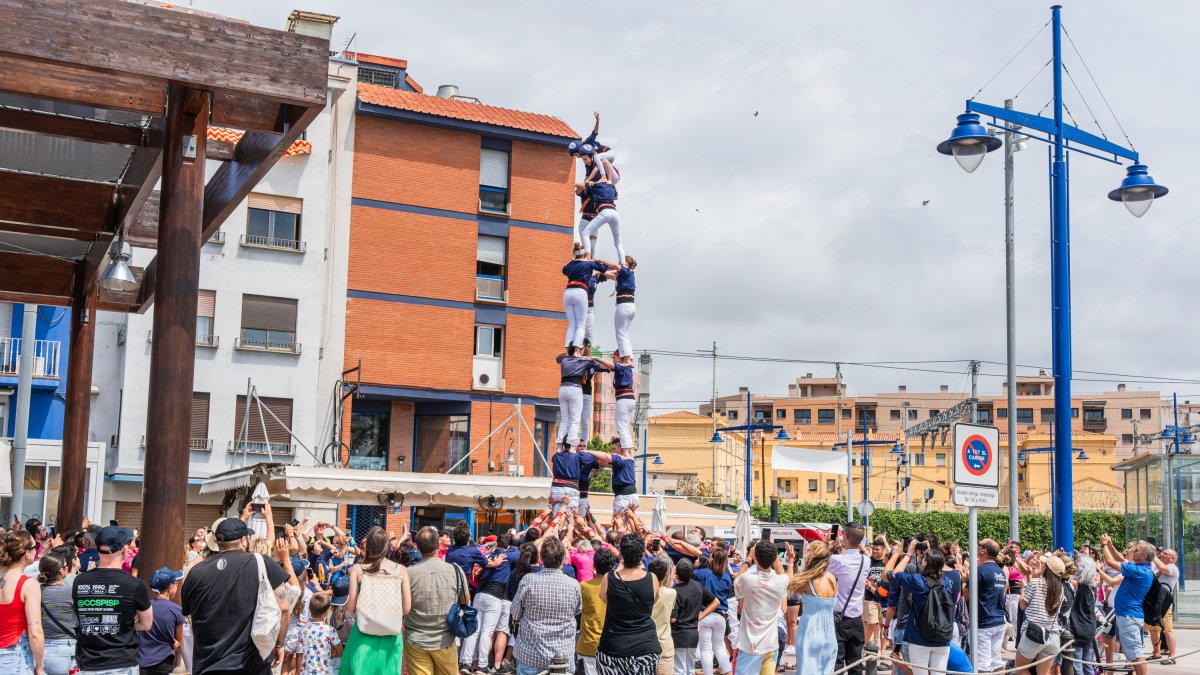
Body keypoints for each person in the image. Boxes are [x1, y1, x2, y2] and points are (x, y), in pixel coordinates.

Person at [181, 517, 292, 675]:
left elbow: (187, 612)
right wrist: (279, 644)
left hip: (209, 663)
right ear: (243, 539)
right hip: (252, 663)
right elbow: (284, 608)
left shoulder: (196, 572)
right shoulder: (262, 563)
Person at [71, 526, 150, 675]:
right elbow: (146, 624)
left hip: (87, 662)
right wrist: (124, 624)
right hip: (122, 662)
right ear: (124, 550)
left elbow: (80, 616)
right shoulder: (134, 584)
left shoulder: (79, 581)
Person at [341, 527, 409, 674]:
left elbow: (351, 607)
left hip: (363, 632)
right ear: (388, 547)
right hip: (391, 634)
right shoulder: (401, 570)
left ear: (368, 546)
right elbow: (407, 608)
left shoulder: (358, 569)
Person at [511, 536, 581, 675]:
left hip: (530, 655)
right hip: (562, 656)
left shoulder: (528, 581)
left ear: (541, 559)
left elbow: (515, 613)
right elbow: (577, 611)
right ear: (562, 560)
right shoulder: (574, 585)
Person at [405, 526, 469, 675]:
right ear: (439, 544)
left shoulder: (408, 573)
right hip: (445, 638)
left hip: (416, 639)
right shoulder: (455, 570)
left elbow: (403, 606)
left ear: (417, 546)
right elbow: (465, 600)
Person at [883, 540, 953, 675]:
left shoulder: (918, 581)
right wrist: (929, 552)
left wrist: (908, 554)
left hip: (919, 636)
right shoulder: (947, 582)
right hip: (942, 637)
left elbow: (892, 575)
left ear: (926, 562)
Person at [598, 534, 660, 675]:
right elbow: (654, 599)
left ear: (621, 554)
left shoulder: (610, 577)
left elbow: (604, 598)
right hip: (645, 647)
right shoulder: (652, 578)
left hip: (613, 647)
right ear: (642, 554)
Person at [1100, 534, 1154, 675]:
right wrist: (1110, 545)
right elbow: (1120, 559)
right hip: (1128, 614)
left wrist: (1104, 545)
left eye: (1136, 550)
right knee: (1133, 650)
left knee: (1135, 652)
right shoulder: (1141, 567)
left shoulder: (1139, 571)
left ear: (1144, 556)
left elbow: (1111, 562)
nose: (1133, 551)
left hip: (1129, 615)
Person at [732, 540, 788, 675]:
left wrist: (748, 561)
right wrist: (777, 560)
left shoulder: (748, 580)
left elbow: (736, 581)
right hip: (771, 643)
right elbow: (784, 575)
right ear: (774, 558)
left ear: (755, 557)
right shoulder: (780, 581)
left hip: (749, 644)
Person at [790, 540, 837, 675]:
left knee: (807, 670)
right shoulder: (832, 578)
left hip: (810, 631)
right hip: (829, 633)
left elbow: (789, 583)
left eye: (808, 550)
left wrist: (791, 562)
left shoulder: (808, 581)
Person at [1013, 555, 1066, 675]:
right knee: (1044, 673)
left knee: (1021, 669)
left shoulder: (1035, 583)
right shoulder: (1060, 588)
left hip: (1033, 634)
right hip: (1053, 636)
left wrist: (1022, 590)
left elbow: (1022, 605)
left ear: (1047, 568)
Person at [0, 531, 44, 674]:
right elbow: (35, 632)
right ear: (26, 553)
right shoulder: (28, 585)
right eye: (35, 547)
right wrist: (40, 666)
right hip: (14, 654)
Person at [828, 523, 869, 675]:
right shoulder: (866, 561)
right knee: (855, 663)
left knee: (837, 664)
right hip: (856, 619)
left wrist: (830, 546)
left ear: (844, 537)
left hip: (839, 619)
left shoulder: (837, 560)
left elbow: (822, 568)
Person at [562, 244, 617, 352]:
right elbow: (603, 268)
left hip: (568, 292)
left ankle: (568, 350)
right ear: (584, 254)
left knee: (573, 323)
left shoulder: (571, 264)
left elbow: (564, 270)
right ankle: (577, 350)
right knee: (581, 325)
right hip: (580, 293)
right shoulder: (589, 264)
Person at [670, 559, 717, 675]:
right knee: (690, 669)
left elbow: (673, 619)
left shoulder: (674, 591)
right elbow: (716, 602)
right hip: (693, 633)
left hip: (678, 634)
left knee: (679, 669)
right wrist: (700, 617)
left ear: (676, 573)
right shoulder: (698, 586)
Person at [693, 539, 732, 675]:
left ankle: (708, 673)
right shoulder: (727, 577)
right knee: (719, 646)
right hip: (721, 615)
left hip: (704, 613)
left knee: (705, 648)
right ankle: (727, 671)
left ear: (712, 558)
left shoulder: (704, 574)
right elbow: (726, 594)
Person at [138, 568, 185, 675]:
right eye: (176, 583)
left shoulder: (144, 607)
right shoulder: (176, 610)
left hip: (141, 661)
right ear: (170, 587)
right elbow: (178, 643)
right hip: (164, 662)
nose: (177, 585)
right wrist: (175, 642)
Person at [579, 549, 618, 675]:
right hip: (613, 646)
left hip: (588, 645)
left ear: (594, 566)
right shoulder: (620, 587)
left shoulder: (584, 586)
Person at [972, 539, 1008, 673]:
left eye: (978, 545)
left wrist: (964, 581)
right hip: (998, 620)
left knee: (983, 665)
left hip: (984, 622)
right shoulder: (1000, 572)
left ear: (984, 550)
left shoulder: (980, 570)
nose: (976, 547)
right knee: (996, 661)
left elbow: (967, 592)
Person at [38, 552, 77, 675]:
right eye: (66, 565)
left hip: (41, 645)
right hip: (67, 645)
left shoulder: (35, 591)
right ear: (61, 571)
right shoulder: (69, 593)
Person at [1067, 553, 1099, 675]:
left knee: (1077, 663)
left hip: (1077, 628)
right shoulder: (1092, 588)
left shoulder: (1076, 585)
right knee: (1087, 662)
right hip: (1089, 627)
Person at [1147, 547, 1179, 664]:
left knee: (1167, 630)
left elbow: (1162, 568)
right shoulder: (1157, 565)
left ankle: (1172, 656)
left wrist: (1153, 555)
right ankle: (1157, 653)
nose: (1162, 554)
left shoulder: (1173, 568)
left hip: (1165, 604)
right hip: (1155, 602)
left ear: (1172, 558)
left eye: (1165, 553)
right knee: (1153, 629)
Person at [582, 179, 624, 264]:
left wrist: (590, 183)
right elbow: (616, 197)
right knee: (618, 242)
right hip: (615, 213)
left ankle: (587, 256)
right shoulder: (612, 186)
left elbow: (580, 185)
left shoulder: (596, 185)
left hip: (605, 212)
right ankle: (623, 263)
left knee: (585, 233)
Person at [648, 557, 676, 675]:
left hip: (645, 645)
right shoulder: (671, 593)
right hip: (664, 645)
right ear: (666, 574)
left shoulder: (642, 592)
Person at [303, 594, 342, 675]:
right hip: (325, 672)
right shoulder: (329, 630)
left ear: (310, 609)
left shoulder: (303, 629)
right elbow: (340, 652)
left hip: (306, 672)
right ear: (327, 611)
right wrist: (331, 653)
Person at [862, 537, 886, 651]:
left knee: (884, 626)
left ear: (883, 550)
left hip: (885, 598)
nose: (874, 551)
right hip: (870, 597)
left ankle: (882, 652)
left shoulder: (886, 562)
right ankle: (865, 645)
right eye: (873, 549)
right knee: (872, 622)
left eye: (877, 549)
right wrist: (868, 582)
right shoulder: (867, 561)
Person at [612, 352, 637, 454]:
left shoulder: (620, 367)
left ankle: (626, 452)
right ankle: (629, 451)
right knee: (625, 427)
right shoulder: (627, 368)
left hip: (623, 399)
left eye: (614, 358)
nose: (613, 360)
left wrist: (596, 358)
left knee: (621, 427)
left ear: (620, 357)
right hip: (630, 399)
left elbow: (610, 365)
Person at [613, 257, 636, 358]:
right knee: (625, 334)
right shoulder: (627, 274)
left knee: (620, 333)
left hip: (624, 305)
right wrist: (601, 271)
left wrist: (599, 261)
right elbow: (611, 272)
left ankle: (626, 358)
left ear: (625, 263)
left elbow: (614, 267)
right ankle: (629, 357)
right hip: (630, 306)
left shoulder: (626, 272)